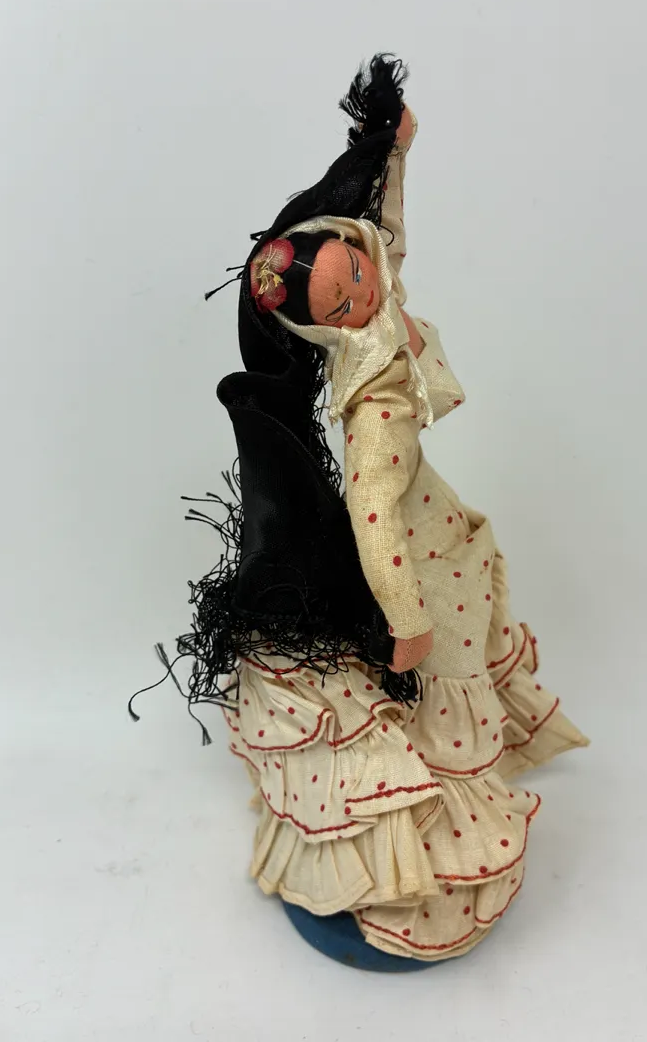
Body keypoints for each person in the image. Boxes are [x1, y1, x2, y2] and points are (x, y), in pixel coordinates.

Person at [153, 56, 588, 963]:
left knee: (448, 678)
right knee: (441, 689)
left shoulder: (380, 306)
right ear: (324, 331)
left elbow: (388, 238)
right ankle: (424, 855)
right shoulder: (375, 403)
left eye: (356, 271)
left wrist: (395, 154)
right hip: (422, 566)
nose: (366, 293)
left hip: (443, 537)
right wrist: (408, 618)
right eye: (344, 303)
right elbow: (374, 517)